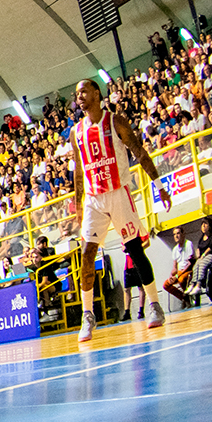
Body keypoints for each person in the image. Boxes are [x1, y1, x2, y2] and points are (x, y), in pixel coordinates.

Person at [68, 77, 170, 341]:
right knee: (87, 253)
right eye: (76, 93)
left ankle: (154, 305)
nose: (79, 96)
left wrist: (159, 184)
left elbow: (138, 150)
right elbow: (79, 170)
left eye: (83, 91)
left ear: (97, 93)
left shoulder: (115, 121)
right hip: (93, 198)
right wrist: (79, 205)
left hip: (118, 192)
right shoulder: (75, 132)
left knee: (135, 250)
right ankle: (87, 315)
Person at [160, 227, 197, 307]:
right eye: (174, 234)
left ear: (183, 234)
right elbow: (174, 267)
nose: (176, 236)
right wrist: (171, 276)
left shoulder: (188, 244)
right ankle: (183, 297)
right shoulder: (175, 249)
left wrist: (177, 275)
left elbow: (190, 264)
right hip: (179, 272)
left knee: (181, 279)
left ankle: (186, 296)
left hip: (188, 270)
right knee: (166, 285)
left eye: (178, 233)